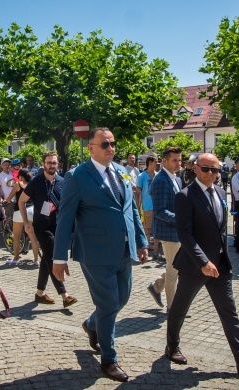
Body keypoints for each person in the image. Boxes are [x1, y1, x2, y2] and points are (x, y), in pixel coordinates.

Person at [52, 128, 148, 382]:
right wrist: (59, 257)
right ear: (90, 148)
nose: (110, 148)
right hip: (95, 253)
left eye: (113, 143)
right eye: (105, 144)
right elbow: (65, 219)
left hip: (124, 251)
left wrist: (141, 241)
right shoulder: (77, 176)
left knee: (122, 299)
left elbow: (131, 211)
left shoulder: (122, 172)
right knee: (108, 303)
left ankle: (92, 324)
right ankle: (109, 359)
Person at [166, 152, 239, 375]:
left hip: (220, 264)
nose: (211, 174)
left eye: (216, 170)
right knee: (180, 308)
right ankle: (172, 346)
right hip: (195, 265)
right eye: (206, 169)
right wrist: (203, 261)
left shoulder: (221, 192)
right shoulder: (185, 196)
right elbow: (185, 235)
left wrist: (222, 256)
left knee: (228, 310)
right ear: (196, 168)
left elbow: (220, 228)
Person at [18, 152, 77, 308]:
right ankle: (65, 295)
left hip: (57, 226)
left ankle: (39, 294)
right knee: (52, 258)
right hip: (41, 226)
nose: (52, 165)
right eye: (49, 162)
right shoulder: (36, 182)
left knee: (46, 260)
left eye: (54, 163)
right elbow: (21, 201)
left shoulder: (63, 182)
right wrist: (26, 222)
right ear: (43, 163)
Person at [148, 147, 182, 312]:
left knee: (177, 267)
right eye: (174, 160)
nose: (178, 163)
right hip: (168, 231)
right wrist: (180, 219)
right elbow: (159, 210)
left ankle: (156, 286)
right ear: (165, 161)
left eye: (179, 160)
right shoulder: (161, 180)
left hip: (178, 230)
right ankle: (172, 307)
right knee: (173, 268)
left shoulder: (175, 178)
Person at [5, 169, 40, 266]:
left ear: (20, 176)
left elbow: (9, 197)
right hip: (31, 210)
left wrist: (5, 201)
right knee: (32, 236)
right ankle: (36, 260)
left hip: (19, 211)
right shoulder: (32, 184)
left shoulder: (18, 184)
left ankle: (16, 258)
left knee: (16, 237)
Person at [135, 156, 161, 259]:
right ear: (150, 162)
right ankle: (146, 248)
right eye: (156, 161)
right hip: (147, 206)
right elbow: (138, 192)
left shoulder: (158, 176)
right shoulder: (142, 176)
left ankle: (155, 252)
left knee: (157, 230)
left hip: (158, 206)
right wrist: (138, 206)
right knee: (147, 228)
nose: (158, 163)